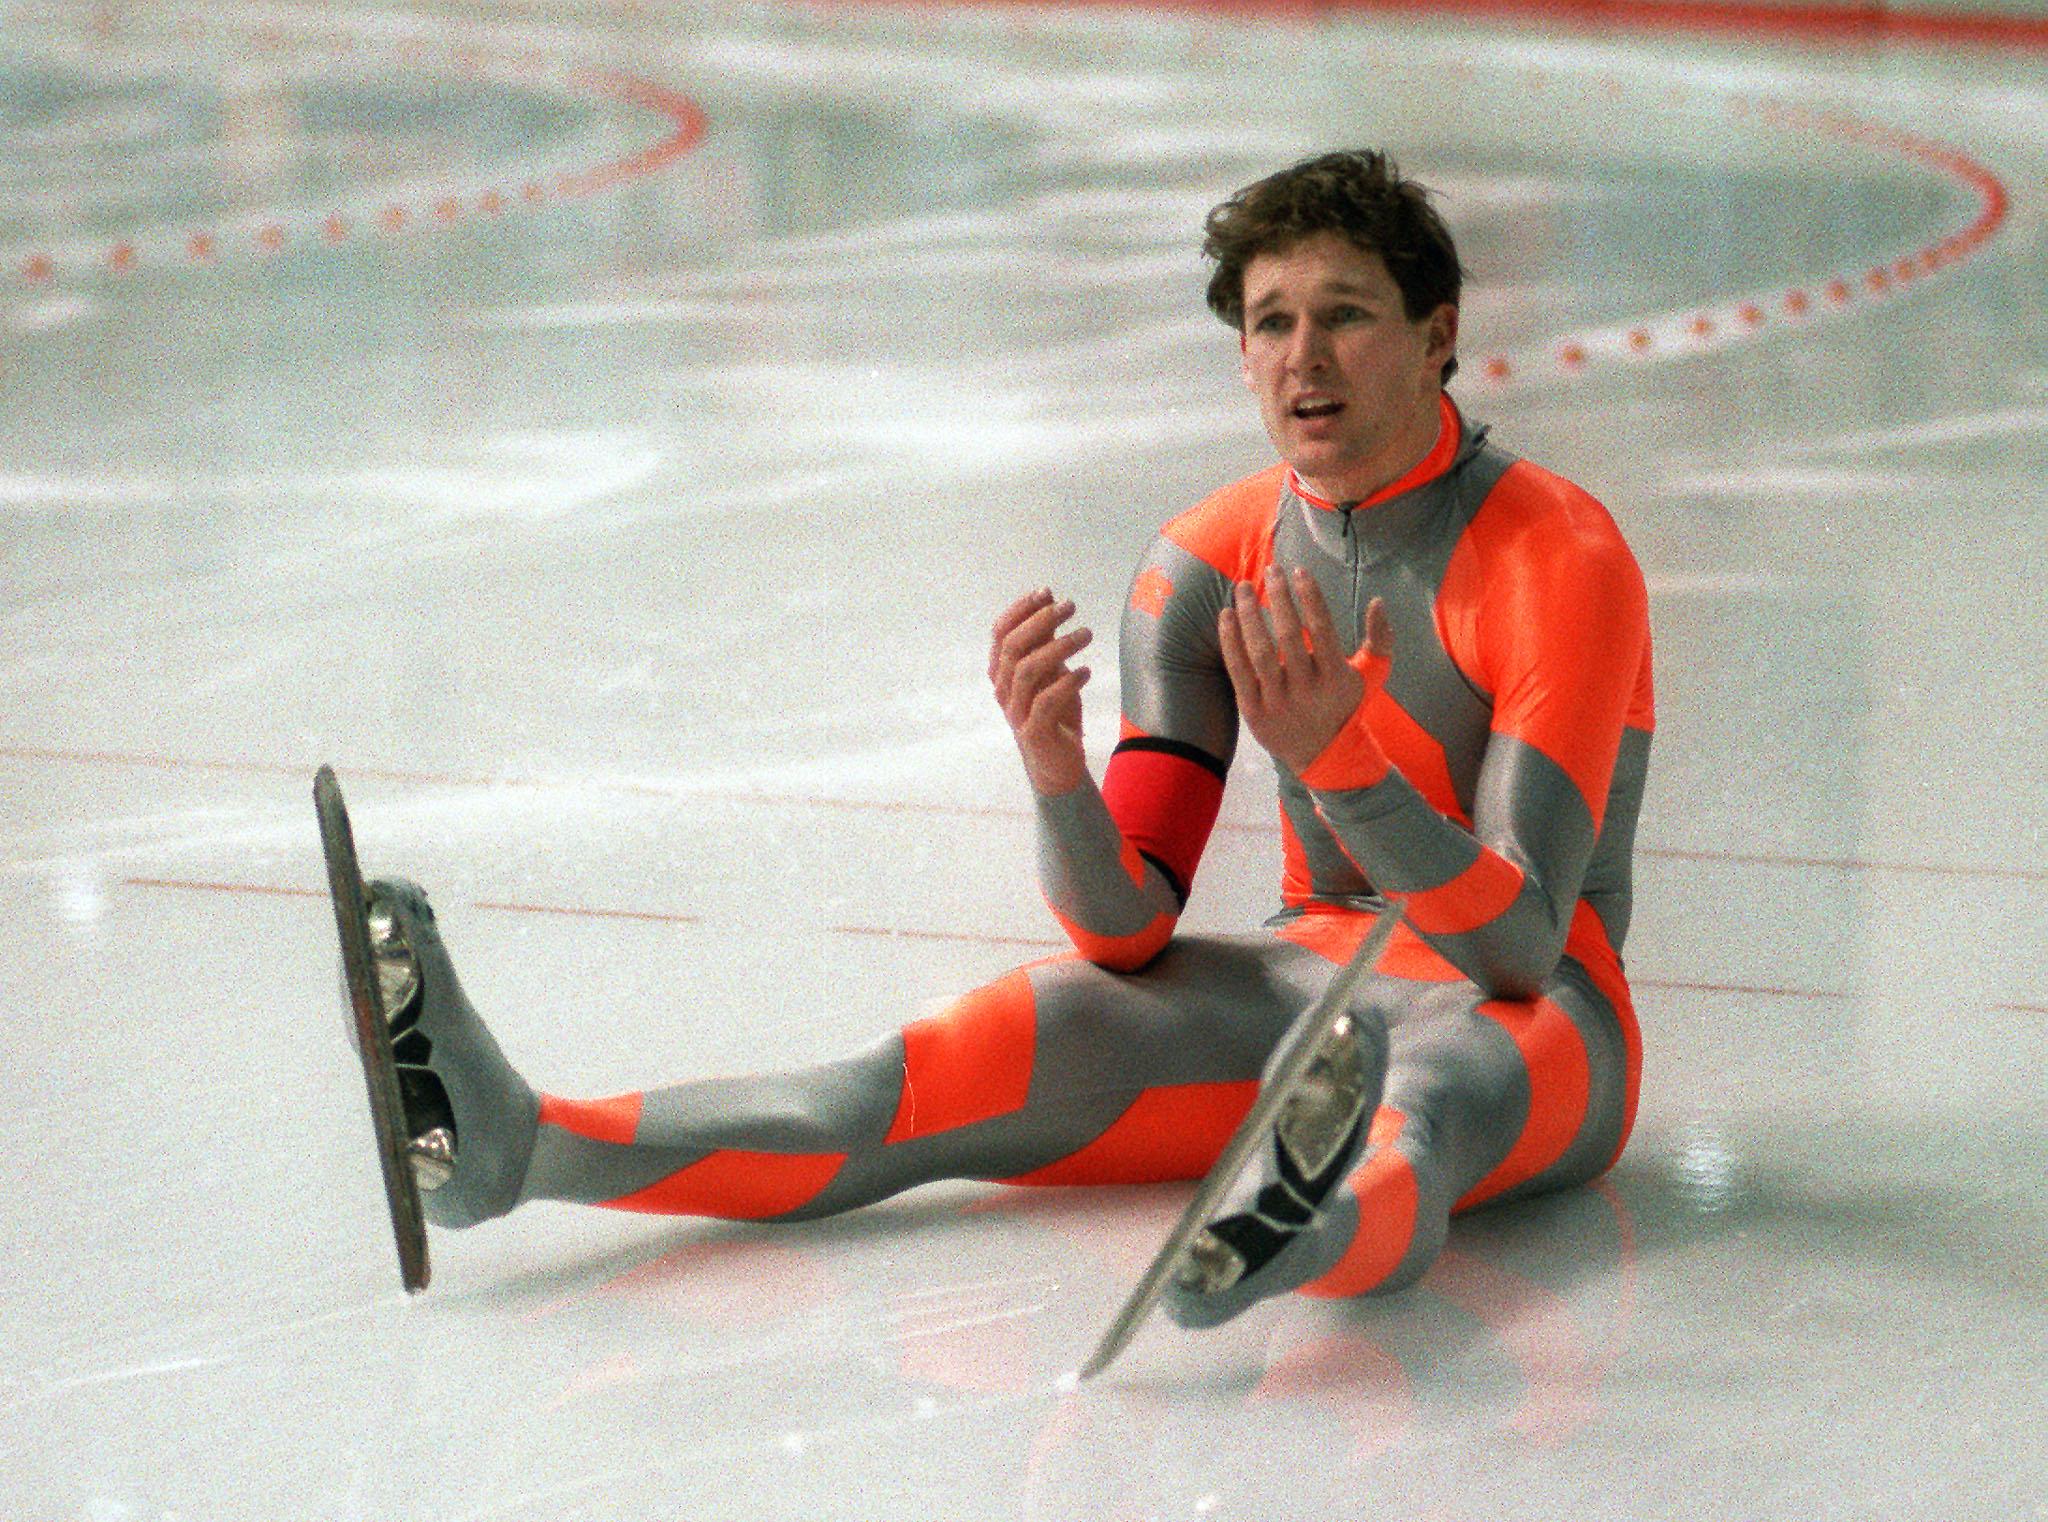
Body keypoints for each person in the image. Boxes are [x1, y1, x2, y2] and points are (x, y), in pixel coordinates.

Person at [365, 148, 1654, 1327]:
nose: (1303, 356)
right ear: (1242, 356)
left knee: (1414, 1104)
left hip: (1537, 1021)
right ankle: (520, 1148)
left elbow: (1523, 943)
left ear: (1437, 339)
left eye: (1346, 315)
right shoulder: (1208, 565)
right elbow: (1126, 926)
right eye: (1272, 323)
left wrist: (1342, 769)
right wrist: (1056, 783)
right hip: (1299, 981)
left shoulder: (1559, 553)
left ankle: (1288, 1232)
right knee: (923, 1076)